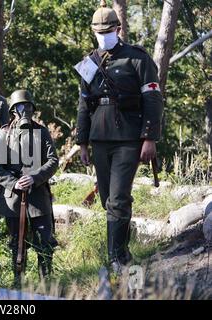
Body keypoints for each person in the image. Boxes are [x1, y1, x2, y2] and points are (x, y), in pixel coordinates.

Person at [75, 1, 163, 274]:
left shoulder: (138, 58)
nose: (104, 34)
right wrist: (82, 141)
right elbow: (83, 105)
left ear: (118, 28)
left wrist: (149, 138)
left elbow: (153, 100)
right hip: (100, 138)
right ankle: (123, 250)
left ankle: (114, 259)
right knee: (108, 201)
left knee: (117, 198)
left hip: (128, 137)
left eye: (108, 29)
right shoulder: (88, 63)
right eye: (99, 31)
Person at [0, 89, 58, 287]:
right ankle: (18, 282)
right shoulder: (3, 134)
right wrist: (13, 183)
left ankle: (46, 285)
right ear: (13, 110)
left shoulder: (41, 131)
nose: (25, 110)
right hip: (12, 196)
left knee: (45, 241)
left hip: (38, 195)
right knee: (16, 243)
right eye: (20, 106)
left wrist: (35, 178)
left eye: (28, 106)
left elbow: (53, 160)